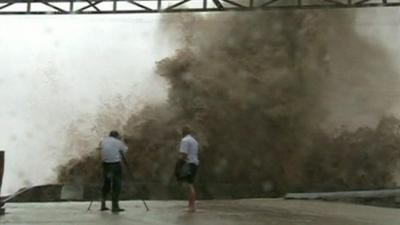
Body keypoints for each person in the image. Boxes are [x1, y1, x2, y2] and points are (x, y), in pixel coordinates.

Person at [99, 130, 128, 212]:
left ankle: (103, 204)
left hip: (105, 165)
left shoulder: (103, 141)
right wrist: (121, 141)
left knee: (106, 184)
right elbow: (125, 150)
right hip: (115, 165)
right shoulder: (118, 142)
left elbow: (101, 148)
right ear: (116, 136)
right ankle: (115, 206)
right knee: (117, 185)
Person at [178, 126, 199, 212]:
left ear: (182, 132)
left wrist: (179, 164)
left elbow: (184, 155)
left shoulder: (184, 140)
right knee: (190, 183)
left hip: (189, 164)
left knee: (189, 185)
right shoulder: (194, 140)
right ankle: (191, 205)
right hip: (195, 163)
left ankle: (191, 206)